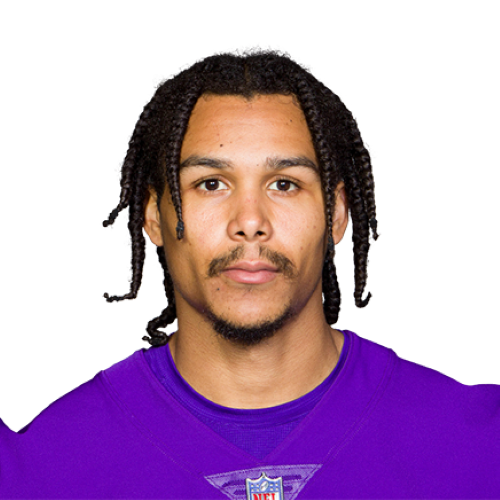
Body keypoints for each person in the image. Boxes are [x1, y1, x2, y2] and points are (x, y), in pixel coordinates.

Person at [1, 45, 498, 499]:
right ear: (152, 215)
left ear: (338, 214)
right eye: (211, 183)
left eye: (284, 184)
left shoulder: (482, 442)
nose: (250, 222)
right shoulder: (34, 467)